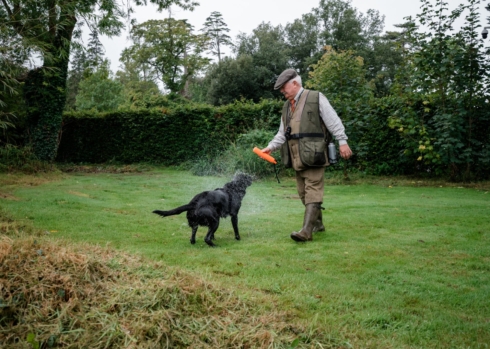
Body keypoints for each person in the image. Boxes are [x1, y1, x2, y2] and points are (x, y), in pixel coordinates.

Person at [261, 68, 352, 242]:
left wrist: (342, 141)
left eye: (284, 87)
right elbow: (282, 132)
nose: (282, 92)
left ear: (295, 83)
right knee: (303, 193)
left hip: (314, 153)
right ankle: (318, 224)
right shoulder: (287, 105)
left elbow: (333, 120)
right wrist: (270, 147)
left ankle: (306, 231)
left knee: (313, 190)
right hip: (296, 155)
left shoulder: (316, 97)